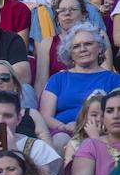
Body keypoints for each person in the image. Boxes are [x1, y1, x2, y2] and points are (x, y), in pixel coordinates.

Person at [40, 23, 120, 151]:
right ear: (70, 53)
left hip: (101, 130)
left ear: (99, 47)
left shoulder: (114, 79)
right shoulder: (58, 79)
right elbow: (45, 115)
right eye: (76, 46)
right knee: (60, 140)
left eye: (88, 44)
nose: (82, 49)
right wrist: (63, 127)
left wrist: (85, 126)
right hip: (64, 131)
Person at [33, 0, 113, 95]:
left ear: (84, 15)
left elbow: (107, 71)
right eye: (62, 11)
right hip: (60, 98)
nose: (67, 13)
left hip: (95, 95)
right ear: (57, 18)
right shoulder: (48, 43)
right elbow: (41, 83)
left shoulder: (98, 35)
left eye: (73, 9)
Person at [61, 90, 106, 167]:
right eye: (94, 115)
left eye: (103, 115)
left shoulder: (114, 140)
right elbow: (69, 169)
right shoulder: (75, 142)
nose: (98, 119)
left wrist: (95, 138)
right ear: (84, 117)